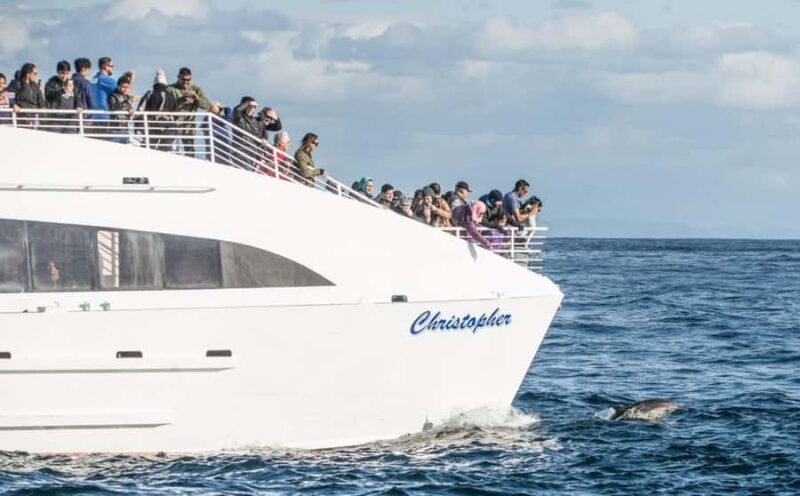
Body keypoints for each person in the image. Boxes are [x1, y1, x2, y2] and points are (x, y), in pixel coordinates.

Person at [168, 67, 220, 158]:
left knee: (190, 152)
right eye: (183, 79)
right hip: (173, 124)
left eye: (188, 80)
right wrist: (181, 100)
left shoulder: (196, 89)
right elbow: (166, 104)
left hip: (188, 127)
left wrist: (197, 99)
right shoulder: (170, 89)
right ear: (178, 77)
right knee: (166, 148)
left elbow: (206, 106)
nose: (186, 82)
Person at [138, 69, 178, 151]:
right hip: (167, 125)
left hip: (151, 124)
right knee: (164, 148)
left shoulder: (150, 94)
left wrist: (139, 124)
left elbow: (140, 110)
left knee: (148, 146)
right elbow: (176, 113)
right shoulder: (170, 96)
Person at [9, 63, 45, 128]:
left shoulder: (35, 86)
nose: (36, 76)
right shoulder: (18, 83)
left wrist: (41, 92)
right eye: (35, 73)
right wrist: (14, 105)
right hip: (21, 119)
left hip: (33, 120)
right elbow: (8, 94)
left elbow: (41, 103)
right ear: (28, 74)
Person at [107, 75, 134, 142]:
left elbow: (129, 111)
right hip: (115, 129)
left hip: (125, 128)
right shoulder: (112, 96)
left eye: (127, 87)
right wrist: (128, 102)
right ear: (118, 86)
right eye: (123, 87)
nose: (125, 89)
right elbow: (114, 109)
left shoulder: (127, 97)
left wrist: (131, 111)